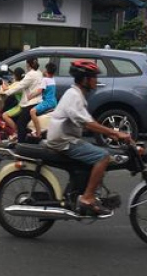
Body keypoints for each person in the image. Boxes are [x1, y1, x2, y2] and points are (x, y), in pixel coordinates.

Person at [45, 60, 132, 216]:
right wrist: (115, 133)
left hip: (67, 138)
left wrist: (111, 133)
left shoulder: (77, 95)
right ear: (85, 79)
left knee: (101, 153)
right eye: (94, 77)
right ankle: (87, 197)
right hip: (64, 141)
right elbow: (88, 123)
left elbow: (87, 122)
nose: (96, 81)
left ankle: (85, 191)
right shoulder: (74, 96)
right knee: (103, 156)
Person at [2, 57, 43, 142]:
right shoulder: (39, 73)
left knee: (20, 123)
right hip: (37, 101)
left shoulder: (30, 74)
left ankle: (20, 144)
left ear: (28, 64)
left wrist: (7, 93)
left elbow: (20, 86)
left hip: (31, 102)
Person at [29, 62, 57, 138]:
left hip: (48, 102)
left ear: (46, 70)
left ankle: (38, 133)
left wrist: (29, 97)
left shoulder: (45, 80)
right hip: (53, 102)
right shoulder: (52, 79)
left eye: (44, 69)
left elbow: (39, 91)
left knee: (32, 112)